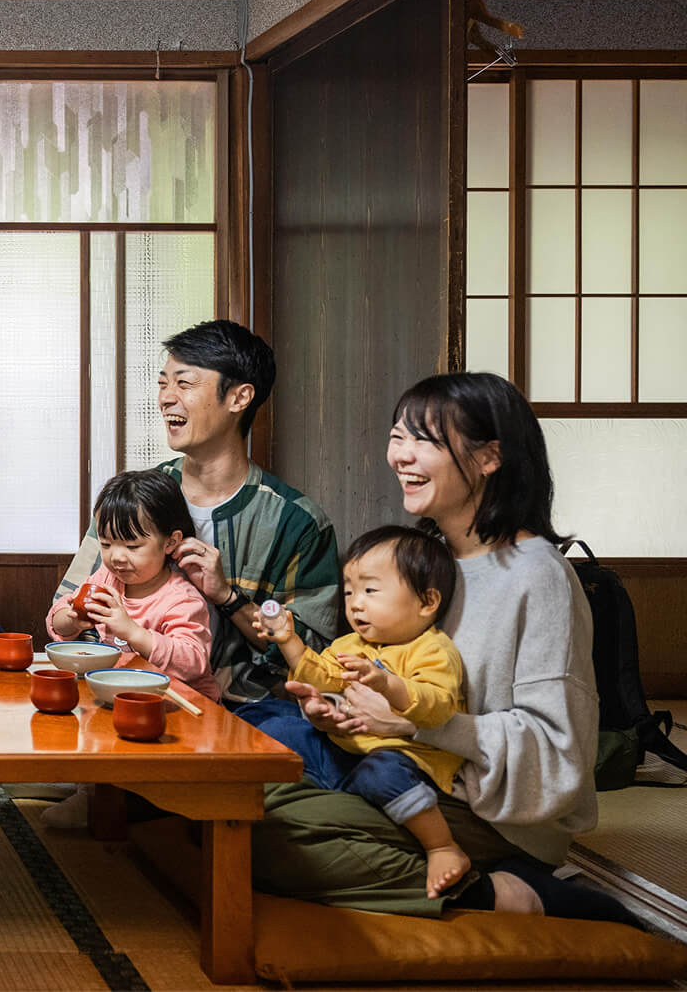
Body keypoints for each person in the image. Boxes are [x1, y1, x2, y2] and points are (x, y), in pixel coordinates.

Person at [254, 372, 629, 923]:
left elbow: (558, 750)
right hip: (396, 771)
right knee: (235, 790)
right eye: (396, 436)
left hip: (483, 810)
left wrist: (414, 724)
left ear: (488, 458)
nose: (399, 456)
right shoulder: (424, 561)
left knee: (262, 834)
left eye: (423, 441)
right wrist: (338, 711)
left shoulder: (538, 577)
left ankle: (507, 893)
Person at [56, 319, 343, 705]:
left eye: (184, 383)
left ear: (239, 398)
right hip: (126, 692)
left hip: (252, 708)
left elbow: (312, 660)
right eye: (163, 383)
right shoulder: (132, 500)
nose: (166, 398)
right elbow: (72, 608)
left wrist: (228, 597)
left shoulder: (296, 522)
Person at [241, 525, 470, 897]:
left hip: (400, 760)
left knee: (383, 773)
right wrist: (289, 641)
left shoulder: (433, 650)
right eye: (349, 592)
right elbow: (324, 674)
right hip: (343, 751)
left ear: (427, 602)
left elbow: (438, 705)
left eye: (370, 590)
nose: (355, 603)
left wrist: (387, 684)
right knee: (269, 718)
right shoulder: (353, 642)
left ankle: (441, 846)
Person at [45, 469, 220, 702]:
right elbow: (56, 619)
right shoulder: (106, 577)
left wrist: (132, 632)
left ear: (170, 542)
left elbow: (193, 662)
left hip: (183, 703)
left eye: (132, 546)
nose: (116, 557)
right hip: (124, 696)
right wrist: (72, 620)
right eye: (106, 544)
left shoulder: (181, 598)